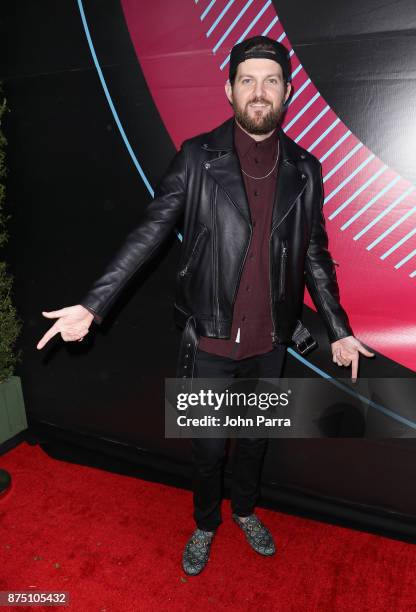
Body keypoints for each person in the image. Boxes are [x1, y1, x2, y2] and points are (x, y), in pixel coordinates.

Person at [36, 36, 374, 576]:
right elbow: (149, 233)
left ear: (288, 92)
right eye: (247, 80)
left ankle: (243, 510)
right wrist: (92, 305)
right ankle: (204, 523)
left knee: (256, 442)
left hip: (271, 342)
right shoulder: (198, 158)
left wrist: (337, 328)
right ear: (229, 90)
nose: (258, 92)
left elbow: (314, 252)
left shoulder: (306, 169)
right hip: (209, 341)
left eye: (270, 81)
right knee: (207, 450)